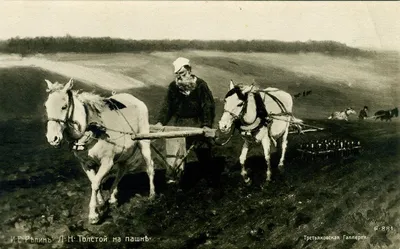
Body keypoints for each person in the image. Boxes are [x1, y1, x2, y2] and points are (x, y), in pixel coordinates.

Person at [155, 57, 216, 183]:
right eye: (178, 74)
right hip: (180, 123)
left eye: (182, 73)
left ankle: (209, 178)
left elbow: (208, 106)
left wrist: (206, 124)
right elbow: (167, 106)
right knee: (177, 153)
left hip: (197, 123)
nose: (180, 77)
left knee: (202, 151)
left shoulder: (201, 85)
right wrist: (161, 122)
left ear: (189, 70)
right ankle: (177, 178)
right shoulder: (173, 87)